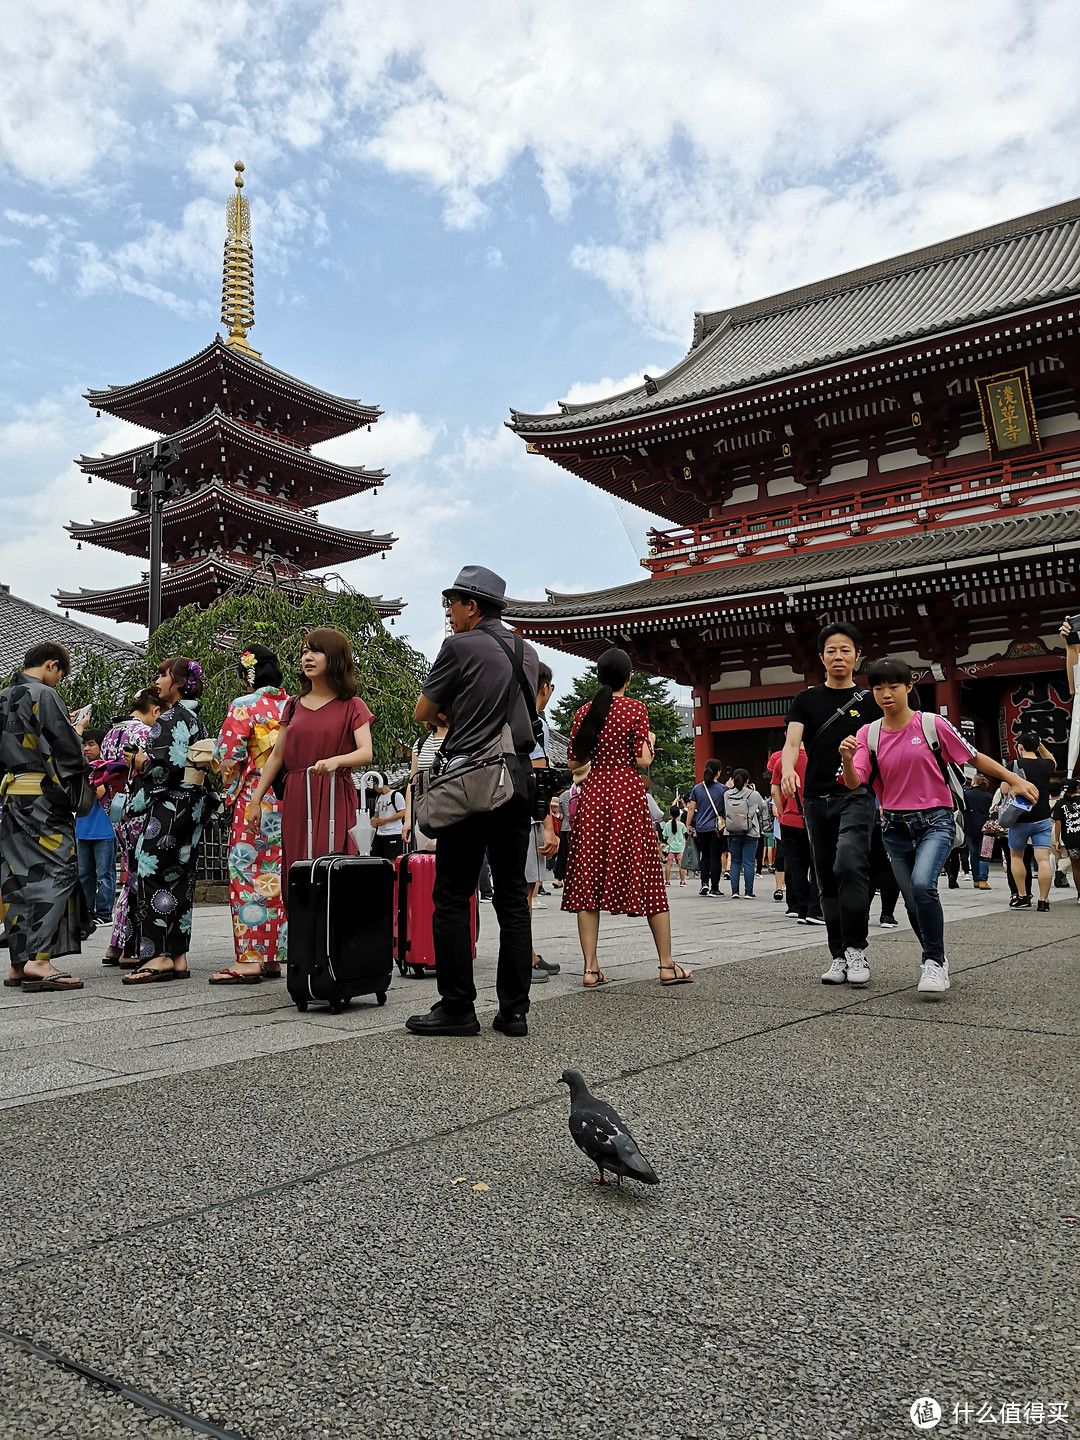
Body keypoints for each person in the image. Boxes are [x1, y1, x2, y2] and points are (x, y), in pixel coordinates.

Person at [840, 656, 1038, 995]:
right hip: (894, 826)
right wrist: (846, 758)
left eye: (893, 686)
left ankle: (932, 961)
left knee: (921, 885)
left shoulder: (931, 725)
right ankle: (937, 960)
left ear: (909, 687)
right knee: (913, 899)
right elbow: (854, 782)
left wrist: (1012, 779)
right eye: (878, 687)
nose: (885, 693)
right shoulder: (867, 734)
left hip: (936, 819)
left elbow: (972, 756)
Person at [406, 566, 540, 1037]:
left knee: (452, 893)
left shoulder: (459, 646)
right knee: (510, 896)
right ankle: (515, 1012)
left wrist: (454, 708)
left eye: (453, 603)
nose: (449, 611)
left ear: (473, 606)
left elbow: (424, 710)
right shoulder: (527, 650)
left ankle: (458, 1007)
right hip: (518, 776)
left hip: (471, 777)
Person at [561, 646, 690, 988]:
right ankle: (666, 964)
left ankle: (590, 969)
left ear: (598, 676)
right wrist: (649, 740)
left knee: (589, 875)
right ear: (629, 678)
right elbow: (644, 761)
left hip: (594, 795)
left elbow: (574, 762)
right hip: (628, 796)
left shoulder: (584, 712)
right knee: (646, 872)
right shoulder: (635, 709)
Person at [782, 623, 882, 986]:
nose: (838, 656)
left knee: (850, 865)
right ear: (821, 657)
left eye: (845, 650)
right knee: (825, 877)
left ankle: (856, 949)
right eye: (831, 651)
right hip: (814, 799)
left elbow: (883, 751)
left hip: (856, 796)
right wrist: (789, 770)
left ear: (858, 656)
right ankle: (838, 956)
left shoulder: (871, 701)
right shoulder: (805, 700)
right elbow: (793, 742)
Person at [247, 629, 374, 891]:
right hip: (298, 795)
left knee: (334, 867)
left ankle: (335, 930)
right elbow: (277, 756)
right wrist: (256, 800)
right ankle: (302, 930)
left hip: (334, 793)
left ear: (335, 658)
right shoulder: (292, 704)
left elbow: (366, 752)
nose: (307, 657)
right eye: (305, 651)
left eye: (316, 651)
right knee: (298, 868)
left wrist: (335, 761)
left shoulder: (353, 705)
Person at [0, 642, 89, 993]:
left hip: (12, 796)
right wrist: (78, 736)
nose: (58, 681)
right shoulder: (44, 695)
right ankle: (39, 958)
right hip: (42, 797)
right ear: (52, 665)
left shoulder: (4, 695)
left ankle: (18, 963)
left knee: (16, 873)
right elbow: (67, 750)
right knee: (58, 869)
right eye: (60, 674)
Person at [121, 657, 216, 984]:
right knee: (179, 875)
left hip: (169, 804)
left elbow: (163, 767)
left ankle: (158, 955)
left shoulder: (171, 717)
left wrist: (137, 763)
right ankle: (177, 955)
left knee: (151, 870)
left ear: (177, 683)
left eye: (162, 675)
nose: (158, 681)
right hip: (192, 802)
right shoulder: (194, 717)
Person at [211, 646, 289, 984]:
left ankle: (250, 958)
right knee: (280, 872)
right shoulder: (292, 704)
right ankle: (274, 957)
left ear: (248, 674)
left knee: (247, 871)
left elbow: (227, 757)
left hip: (255, 797)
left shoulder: (245, 706)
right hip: (289, 796)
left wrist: (229, 784)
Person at [99, 688, 161, 965]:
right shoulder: (143, 733)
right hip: (137, 804)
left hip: (115, 806)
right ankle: (129, 944)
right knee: (139, 873)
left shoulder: (111, 733)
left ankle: (116, 943)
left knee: (129, 870)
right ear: (155, 710)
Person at [525, 663, 560, 982]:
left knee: (519, 889)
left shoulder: (504, 713)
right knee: (526, 889)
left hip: (499, 809)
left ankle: (528, 953)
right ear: (545, 688)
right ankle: (523, 956)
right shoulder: (535, 723)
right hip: (526, 815)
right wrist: (547, 823)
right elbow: (538, 774)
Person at [768, 737, 823, 925]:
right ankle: (815, 909)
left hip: (789, 820)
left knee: (797, 868)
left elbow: (775, 792)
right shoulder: (817, 756)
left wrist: (783, 812)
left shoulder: (782, 760)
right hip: (815, 820)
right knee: (818, 867)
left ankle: (801, 908)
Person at [1006, 730, 1056, 911]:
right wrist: (1039, 745)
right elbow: (1051, 759)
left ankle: (1023, 896)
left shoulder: (1013, 764)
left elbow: (1005, 790)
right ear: (1037, 747)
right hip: (1042, 818)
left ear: (1020, 747)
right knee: (1042, 859)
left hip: (1019, 819)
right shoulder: (1046, 765)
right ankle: (1043, 901)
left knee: (1016, 856)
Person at [75, 728, 117, 927]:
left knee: (104, 874)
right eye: (85, 744)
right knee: (84, 874)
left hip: (104, 829)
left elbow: (101, 793)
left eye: (92, 744)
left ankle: (104, 913)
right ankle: (87, 912)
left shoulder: (107, 768)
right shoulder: (81, 767)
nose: (86, 748)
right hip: (82, 828)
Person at [403, 714, 448, 854]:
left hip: (452, 812)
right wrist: (408, 818)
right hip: (425, 815)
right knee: (424, 863)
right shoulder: (421, 743)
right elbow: (412, 782)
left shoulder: (461, 739)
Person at [723, 769, 769, 897]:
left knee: (735, 861)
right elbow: (763, 808)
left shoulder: (727, 794)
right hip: (751, 831)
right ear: (747, 781)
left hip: (732, 831)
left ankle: (735, 891)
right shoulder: (754, 795)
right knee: (748, 862)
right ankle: (749, 891)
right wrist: (765, 826)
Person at [685, 759, 727, 897]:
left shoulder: (697, 789)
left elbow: (691, 808)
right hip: (716, 829)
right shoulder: (723, 789)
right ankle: (715, 887)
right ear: (718, 773)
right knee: (716, 857)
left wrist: (688, 824)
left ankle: (704, 884)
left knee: (705, 856)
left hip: (701, 828)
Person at [1052, 778, 1080, 901]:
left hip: (1070, 839)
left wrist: (1057, 840)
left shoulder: (1060, 803)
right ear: (1077, 788)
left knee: (1076, 867)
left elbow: (1058, 823)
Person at [963, 774, 994, 889]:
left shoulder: (966, 795)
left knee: (974, 854)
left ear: (973, 783)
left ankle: (976, 879)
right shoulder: (989, 796)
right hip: (986, 829)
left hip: (970, 828)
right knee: (985, 854)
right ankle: (983, 879)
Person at [370, 781, 407, 861]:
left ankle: (393, 873)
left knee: (392, 859)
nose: (374, 787)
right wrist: (373, 821)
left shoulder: (396, 795)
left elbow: (402, 812)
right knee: (377, 858)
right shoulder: (378, 797)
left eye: (374, 784)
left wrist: (386, 820)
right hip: (380, 833)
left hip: (393, 832)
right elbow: (376, 814)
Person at [662, 806, 688, 886]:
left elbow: (665, 836)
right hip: (680, 847)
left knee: (668, 864)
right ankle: (682, 881)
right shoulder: (681, 825)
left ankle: (667, 881)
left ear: (670, 814)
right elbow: (684, 835)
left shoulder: (667, 825)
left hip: (670, 847)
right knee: (681, 864)